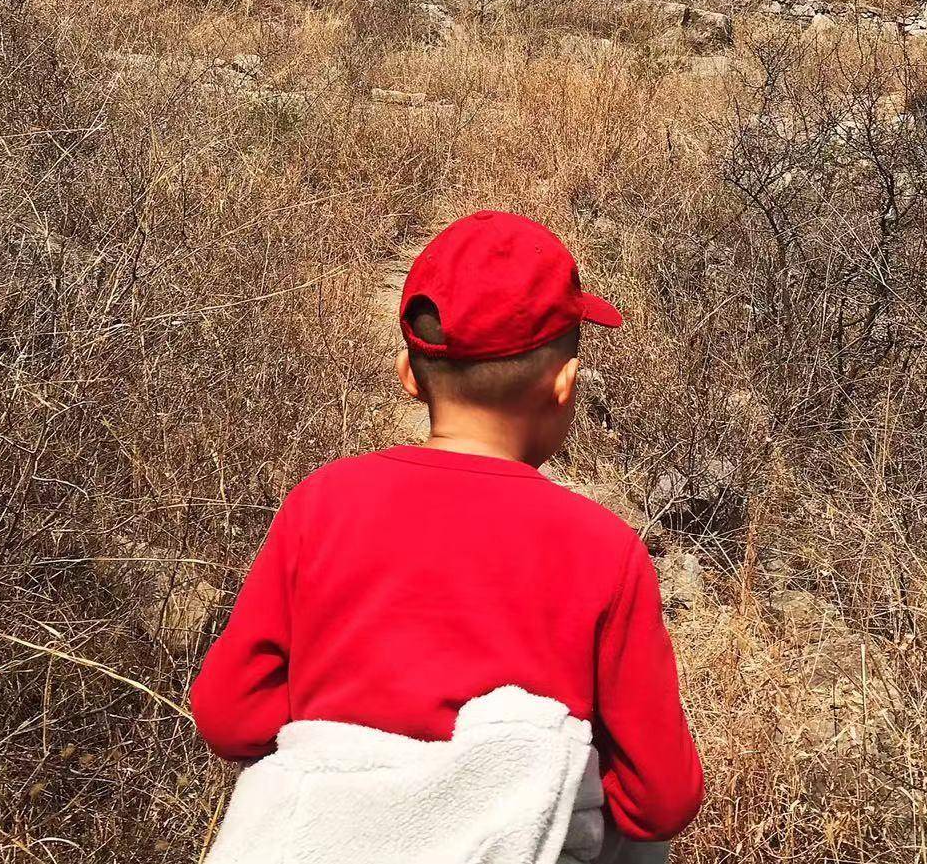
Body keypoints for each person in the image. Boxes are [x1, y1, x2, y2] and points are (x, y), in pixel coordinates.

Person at [191, 210, 704, 861]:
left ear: (409, 374)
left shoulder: (320, 503)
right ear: (564, 385)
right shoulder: (605, 549)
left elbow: (228, 714)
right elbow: (664, 797)